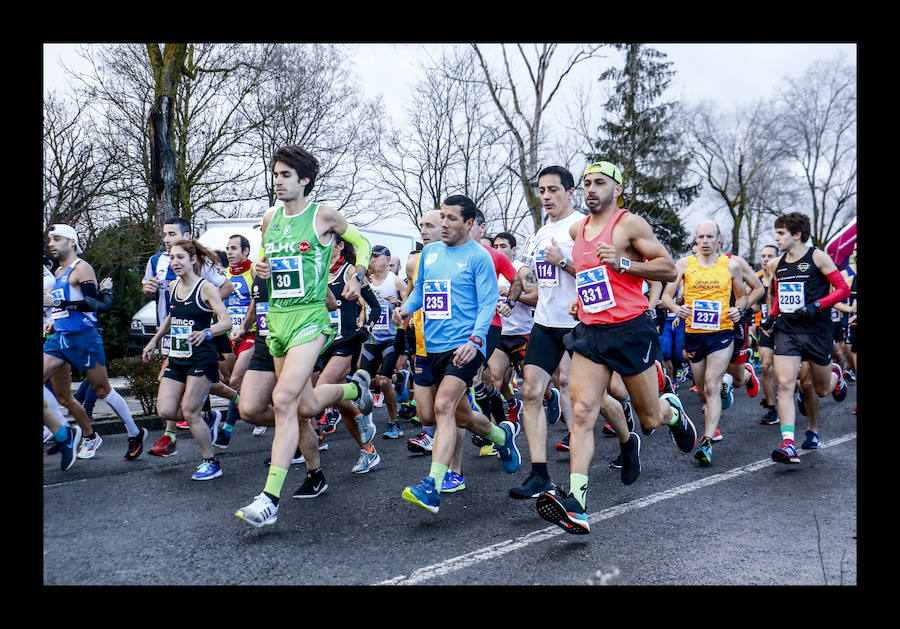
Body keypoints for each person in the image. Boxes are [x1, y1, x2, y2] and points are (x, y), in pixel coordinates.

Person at [535, 162, 696, 534]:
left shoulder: (629, 225)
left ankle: (671, 412)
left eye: (600, 183)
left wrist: (624, 262)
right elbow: (591, 276)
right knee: (581, 412)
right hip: (591, 331)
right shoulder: (578, 229)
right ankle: (576, 502)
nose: (591, 189)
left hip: (629, 330)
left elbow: (668, 269)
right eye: (587, 183)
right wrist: (583, 301)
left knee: (650, 417)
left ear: (617, 189)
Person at [234, 145, 374, 528]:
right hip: (275, 321)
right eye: (274, 174)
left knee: (282, 400)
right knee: (305, 404)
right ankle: (354, 390)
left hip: (310, 318)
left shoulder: (322, 215)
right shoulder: (269, 218)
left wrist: (356, 274)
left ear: (304, 180)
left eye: (284, 175)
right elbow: (260, 268)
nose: (277, 181)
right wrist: (257, 270)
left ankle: (270, 498)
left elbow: (361, 243)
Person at [499, 166, 629, 499]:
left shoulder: (582, 228)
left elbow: (602, 275)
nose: (546, 196)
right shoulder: (542, 230)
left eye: (553, 190)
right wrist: (514, 295)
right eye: (542, 190)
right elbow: (531, 277)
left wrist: (562, 263)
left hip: (580, 324)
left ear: (570, 193)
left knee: (592, 398)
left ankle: (628, 441)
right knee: (530, 392)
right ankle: (539, 473)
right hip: (545, 323)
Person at [392, 195, 521, 514]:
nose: (445, 224)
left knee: (443, 405)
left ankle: (433, 485)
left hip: (465, 346)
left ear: (469, 223)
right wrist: (406, 310)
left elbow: (488, 302)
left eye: (451, 219)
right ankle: (502, 438)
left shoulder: (479, 257)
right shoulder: (431, 253)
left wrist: (475, 340)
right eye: (443, 218)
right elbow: (422, 290)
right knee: (461, 415)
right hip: (432, 346)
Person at [42, 224, 150, 462]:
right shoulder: (58, 273)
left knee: (102, 390)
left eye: (57, 239)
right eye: (50, 239)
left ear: (71, 242)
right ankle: (65, 432)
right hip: (60, 339)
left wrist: (57, 305)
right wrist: (55, 320)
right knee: (59, 394)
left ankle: (135, 432)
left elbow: (94, 304)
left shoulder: (82, 268)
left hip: (85, 338)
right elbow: (66, 305)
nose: (51, 243)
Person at [141, 239, 234, 479]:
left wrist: (206, 332)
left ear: (193, 260)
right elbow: (172, 317)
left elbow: (226, 321)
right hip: (178, 356)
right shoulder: (172, 287)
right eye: (172, 258)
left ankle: (211, 461)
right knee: (166, 409)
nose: (175, 262)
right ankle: (207, 417)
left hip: (201, 357)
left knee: (189, 410)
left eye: (180, 257)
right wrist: (154, 340)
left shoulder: (206, 288)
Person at [760, 212, 849, 463]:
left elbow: (842, 289)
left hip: (817, 332)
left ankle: (835, 377)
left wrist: (817, 305)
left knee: (818, 389)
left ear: (797, 234)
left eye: (781, 233)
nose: (776, 238)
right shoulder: (777, 263)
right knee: (786, 383)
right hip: (787, 331)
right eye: (776, 232)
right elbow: (779, 295)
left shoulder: (817, 257)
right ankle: (788, 443)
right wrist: (772, 316)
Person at [662, 220, 748, 466]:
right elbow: (667, 296)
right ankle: (723, 392)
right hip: (694, 334)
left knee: (711, 385)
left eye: (710, 237)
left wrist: (738, 310)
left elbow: (742, 297)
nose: (706, 241)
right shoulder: (684, 264)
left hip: (722, 332)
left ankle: (707, 441)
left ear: (719, 239)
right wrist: (677, 308)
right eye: (701, 237)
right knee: (701, 389)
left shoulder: (731, 266)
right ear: (696, 240)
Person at [359, 244, 408, 439]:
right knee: (364, 382)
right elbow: (362, 306)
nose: (372, 260)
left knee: (384, 381)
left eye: (376, 256)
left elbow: (409, 304)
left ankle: (394, 423)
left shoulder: (395, 281)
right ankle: (400, 379)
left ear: (387, 260)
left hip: (390, 337)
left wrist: (399, 305)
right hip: (371, 338)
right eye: (370, 257)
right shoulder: (365, 283)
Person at [213, 235, 258, 446]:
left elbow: (258, 303)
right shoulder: (224, 275)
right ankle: (259, 406)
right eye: (227, 248)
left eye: (234, 248)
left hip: (252, 334)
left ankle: (226, 430)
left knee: (235, 381)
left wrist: (244, 327)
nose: (229, 253)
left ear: (246, 251)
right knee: (224, 380)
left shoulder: (254, 272)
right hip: (229, 336)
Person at [752, 245, 780, 425]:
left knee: (786, 373)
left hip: (786, 329)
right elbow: (751, 303)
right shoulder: (756, 278)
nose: (766, 258)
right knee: (766, 365)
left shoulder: (784, 275)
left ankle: (800, 392)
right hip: (765, 329)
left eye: (770, 255)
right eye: (763, 255)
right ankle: (771, 408)